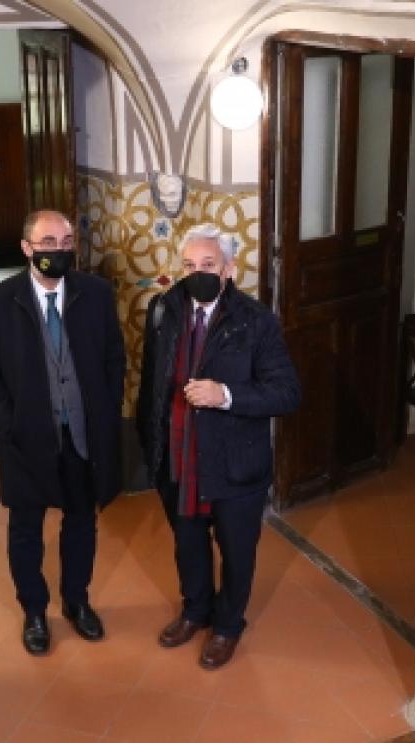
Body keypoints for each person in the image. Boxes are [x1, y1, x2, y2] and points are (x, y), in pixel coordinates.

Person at [136, 223, 301, 670]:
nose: (198, 274)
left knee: (236, 550)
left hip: (235, 462)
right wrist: (150, 448)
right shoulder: (163, 310)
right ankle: (196, 611)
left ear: (229, 269)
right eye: (189, 265)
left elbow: (287, 393)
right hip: (179, 456)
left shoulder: (256, 321)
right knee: (188, 542)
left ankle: (227, 625)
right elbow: (151, 383)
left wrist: (225, 395)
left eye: (208, 264)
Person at [0, 209, 125, 655]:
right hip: (27, 440)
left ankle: (77, 602)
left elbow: (114, 357)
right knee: (26, 530)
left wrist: (105, 409)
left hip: (82, 436)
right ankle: (34, 611)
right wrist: (11, 422)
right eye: (47, 243)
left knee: (82, 522)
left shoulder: (96, 294)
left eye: (65, 242)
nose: (58, 251)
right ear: (26, 248)